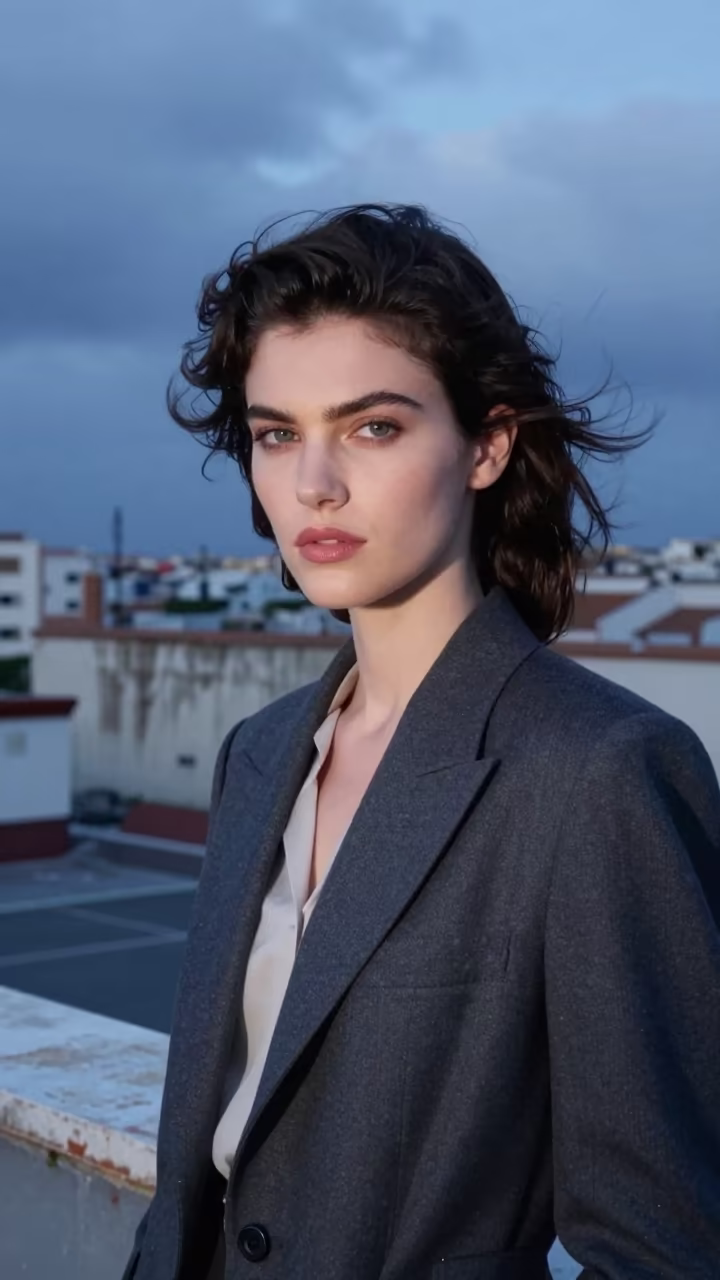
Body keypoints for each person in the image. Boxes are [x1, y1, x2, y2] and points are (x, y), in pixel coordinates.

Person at [122, 204, 720, 1280]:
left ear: (487, 445)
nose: (315, 484)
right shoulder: (260, 755)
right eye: (276, 433)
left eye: (373, 427)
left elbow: (665, 1241)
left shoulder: (599, 769)